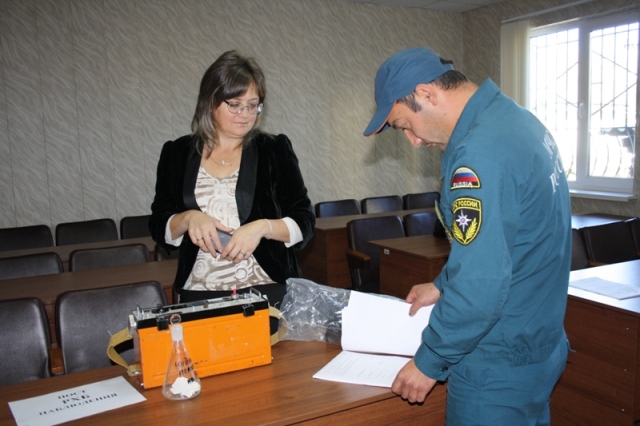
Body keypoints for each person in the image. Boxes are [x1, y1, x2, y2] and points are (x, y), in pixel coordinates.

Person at [364, 47, 571, 425]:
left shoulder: (478, 155)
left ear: (427, 94)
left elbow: (482, 282)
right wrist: (443, 284)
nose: (413, 141)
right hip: (538, 340)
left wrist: (429, 361)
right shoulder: (516, 120)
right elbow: (510, 240)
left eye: (405, 125)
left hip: (498, 363)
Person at [150, 50, 315, 312]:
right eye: (235, 105)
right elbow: (159, 225)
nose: (245, 114)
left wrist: (262, 228)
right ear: (210, 102)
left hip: (267, 288)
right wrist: (189, 218)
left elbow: (305, 221)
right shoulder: (177, 153)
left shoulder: (274, 149)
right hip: (199, 291)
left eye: (253, 105)